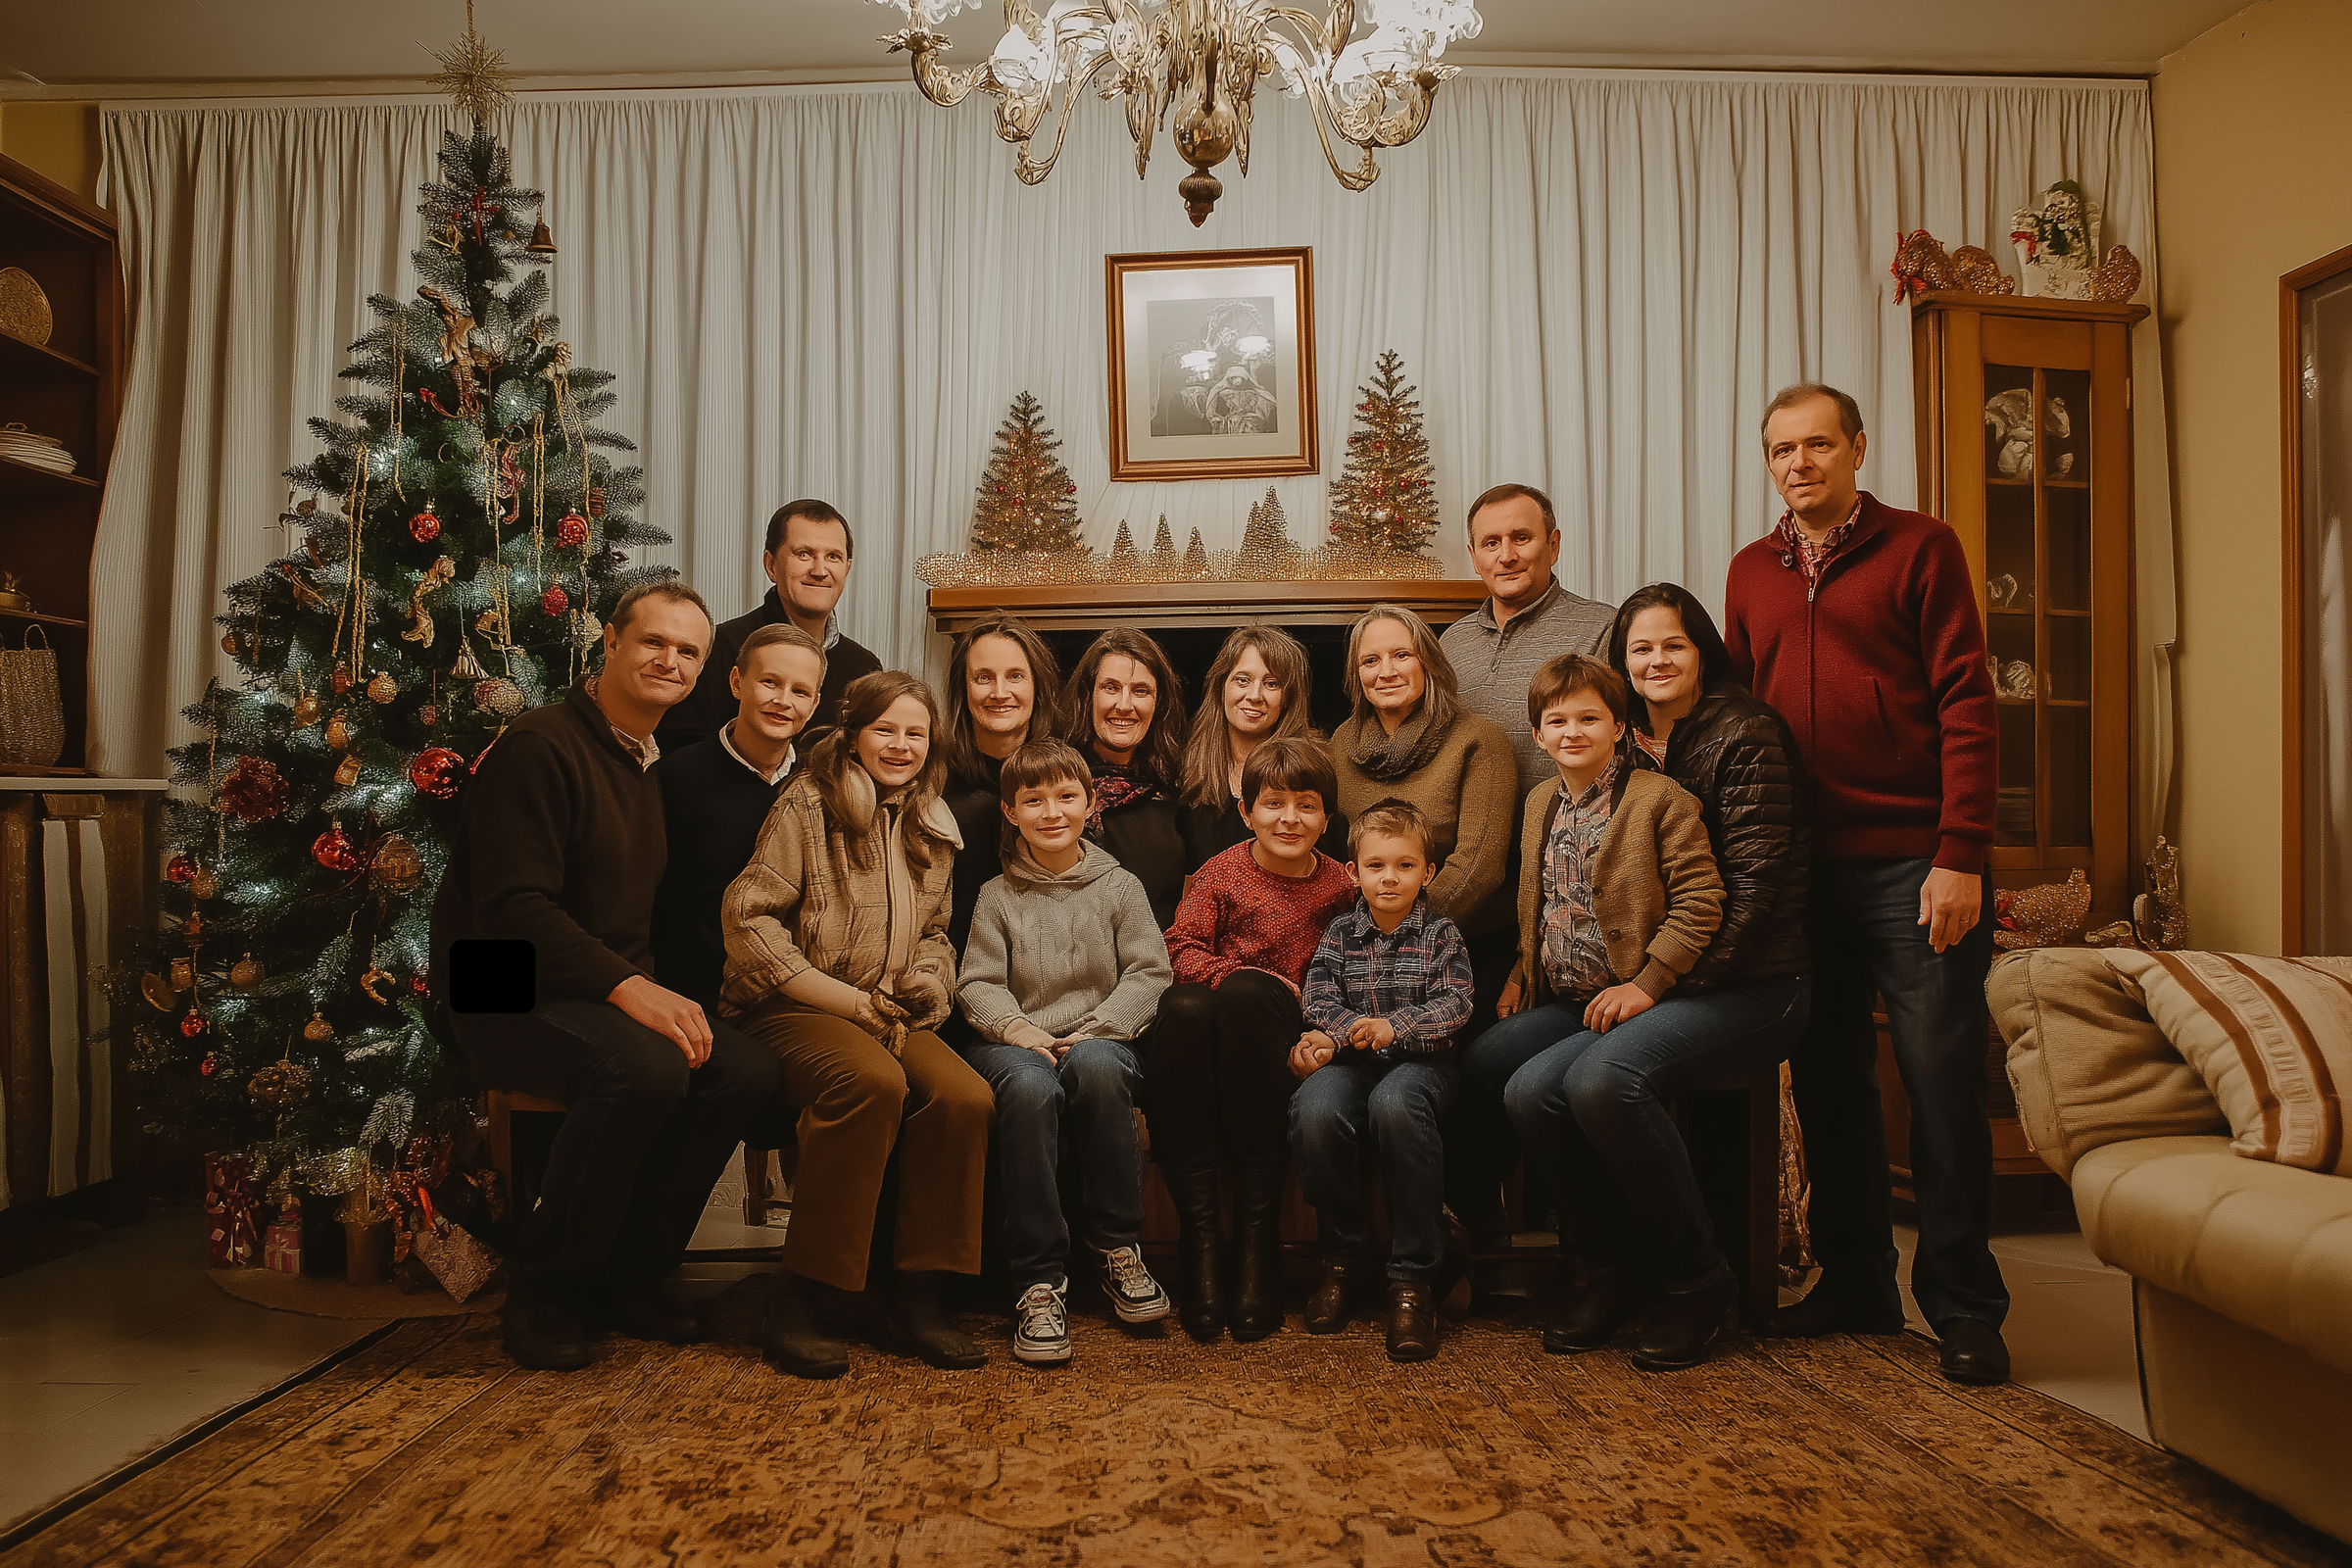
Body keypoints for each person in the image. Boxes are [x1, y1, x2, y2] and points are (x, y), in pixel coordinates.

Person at [1724, 381, 2008, 1387]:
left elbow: (1969, 703)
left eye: (1816, 445)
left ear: (1856, 448)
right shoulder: (1751, 573)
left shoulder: (1922, 549)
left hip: (1915, 865)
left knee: (1936, 1087)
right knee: (1834, 1083)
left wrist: (1961, 852)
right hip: (1806, 869)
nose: (1798, 464)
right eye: (1779, 450)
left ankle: (1966, 1307)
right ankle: (1857, 1283)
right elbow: (1746, 718)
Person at [429, 582, 780, 1371]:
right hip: (496, 982)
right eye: (653, 642)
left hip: (589, 987)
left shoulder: (644, 760)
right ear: (610, 644)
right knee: (640, 1069)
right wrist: (633, 990)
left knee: (745, 1070)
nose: (670, 660)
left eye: (688, 651)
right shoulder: (540, 743)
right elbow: (514, 907)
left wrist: (661, 991)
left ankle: (631, 1273)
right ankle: (546, 1286)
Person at [721, 670, 994, 1379]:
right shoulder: (808, 805)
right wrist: (844, 1002)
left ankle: (917, 1295)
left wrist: (928, 985)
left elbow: (937, 933)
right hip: (793, 1005)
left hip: (885, 1010)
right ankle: (802, 1299)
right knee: (871, 1084)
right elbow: (748, 919)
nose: (900, 745)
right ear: (854, 735)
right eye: (885, 729)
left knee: (965, 1097)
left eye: (915, 733)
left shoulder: (931, 820)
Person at [1476, 655, 1734, 1368]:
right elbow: (1545, 902)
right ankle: (1603, 1264)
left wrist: (1648, 981)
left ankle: (1693, 1276)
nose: (1573, 731)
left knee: (1551, 1089)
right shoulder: (1540, 804)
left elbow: (1702, 901)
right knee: (1498, 1071)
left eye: (1590, 717)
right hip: (1564, 996)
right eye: (1557, 720)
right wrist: (1523, 975)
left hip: (1642, 995)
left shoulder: (1658, 800)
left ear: (1620, 727)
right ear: (1536, 733)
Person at [956, 739, 1175, 1365]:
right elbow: (978, 982)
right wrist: (1022, 1032)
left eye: (1066, 796)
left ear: (1091, 804)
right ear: (1010, 812)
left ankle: (1115, 1247)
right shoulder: (997, 895)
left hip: (1102, 1037)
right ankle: (1037, 1278)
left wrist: (1100, 1028)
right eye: (1034, 799)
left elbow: (1148, 972)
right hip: (1013, 1040)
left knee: (1100, 1072)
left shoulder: (1119, 886)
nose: (1052, 811)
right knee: (1029, 1090)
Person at [1151, 738, 1357, 1343]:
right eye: (1273, 804)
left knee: (1246, 997)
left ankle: (1258, 1245)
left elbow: (1356, 966)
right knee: (1185, 1003)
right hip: (1216, 1034)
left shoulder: (1342, 885)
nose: (1289, 819)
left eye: (1307, 805)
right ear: (1246, 813)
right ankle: (1202, 1244)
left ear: (1327, 817)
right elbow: (1180, 949)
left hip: (1289, 1036)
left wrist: (1312, 1017)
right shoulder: (1223, 871)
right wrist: (1245, 977)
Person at [1329, 604, 1519, 1247]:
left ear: (1430, 663)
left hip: (1467, 943)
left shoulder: (1478, 739)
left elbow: (1482, 864)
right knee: (1362, 1076)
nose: (1386, 670)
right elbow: (1338, 857)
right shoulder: (1341, 747)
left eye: (1401, 655)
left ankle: (1472, 1219)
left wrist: (1404, 936)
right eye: (1370, 660)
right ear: (1356, 677)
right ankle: (1383, 1234)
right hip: (1371, 944)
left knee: (1469, 1064)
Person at [1291, 799, 1475, 1363]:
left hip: (1424, 1068)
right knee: (1315, 1110)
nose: (1389, 877)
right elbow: (1318, 997)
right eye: (1375, 866)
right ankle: (1342, 1259)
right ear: (1353, 872)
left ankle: (1413, 1277)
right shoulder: (1341, 933)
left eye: (1404, 865)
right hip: (1350, 1066)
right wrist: (1341, 1035)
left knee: (1396, 1104)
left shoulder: (1443, 934)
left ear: (1428, 872)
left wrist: (1392, 1027)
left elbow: (1458, 1003)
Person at [650, 623, 826, 1013]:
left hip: (797, 993)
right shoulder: (676, 777)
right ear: (736, 682)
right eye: (769, 682)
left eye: (800, 691)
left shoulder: (819, 785)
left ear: (814, 705)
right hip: (695, 993)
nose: (783, 700)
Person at [656, 498, 882, 756]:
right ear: (771, 565)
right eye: (804, 554)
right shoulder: (719, 647)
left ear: (847, 569)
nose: (820, 570)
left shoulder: (864, 667)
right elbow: (681, 756)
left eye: (833, 557)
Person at [939, 614, 1063, 956]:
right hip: (951, 962)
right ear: (963, 689)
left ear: (1038, 685)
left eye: (1015, 676)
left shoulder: (1066, 777)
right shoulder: (933, 781)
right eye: (983, 678)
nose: (999, 692)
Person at [1176, 624, 1342, 869]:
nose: (1255, 695)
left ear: (1288, 698)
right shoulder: (1186, 769)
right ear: (1221, 686)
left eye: (1272, 683)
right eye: (1242, 680)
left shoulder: (1315, 771)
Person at [1059, 627, 1190, 928]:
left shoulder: (1176, 786)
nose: (1124, 705)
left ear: (1158, 704)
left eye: (1141, 691)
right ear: (1087, 695)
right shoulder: (1056, 780)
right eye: (1110, 687)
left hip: (1158, 961)